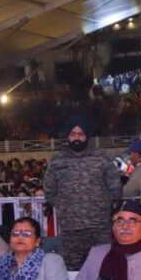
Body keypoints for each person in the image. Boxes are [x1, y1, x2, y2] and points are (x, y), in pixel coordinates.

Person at [43, 116, 122, 270]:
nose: (77, 138)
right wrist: (65, 207)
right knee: (73, 270)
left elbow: (115, 187)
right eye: (73, 134)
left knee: (103, 268)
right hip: (71, 229)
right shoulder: (57, 161)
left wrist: (108, 208)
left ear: (87, 136)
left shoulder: (101, 158)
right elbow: (49, 190)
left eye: (81, 134)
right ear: (68, 137)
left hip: (99, 228)